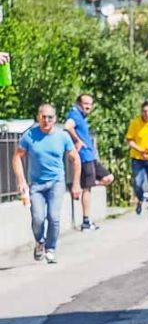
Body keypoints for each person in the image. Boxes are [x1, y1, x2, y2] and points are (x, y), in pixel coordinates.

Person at [12, 104, 81, 264]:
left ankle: (51, 249)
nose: (46, 120)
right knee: (38, 218)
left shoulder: (62, 136)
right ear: (39, 117)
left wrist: (76, 183)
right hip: (36, 185)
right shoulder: (30, 135)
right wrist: (21, 181)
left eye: (50, 117)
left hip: (56, 182)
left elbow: (76, 160)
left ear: (55, 119)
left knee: (53, 217)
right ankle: (40, 242)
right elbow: (17, 157)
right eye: (43, 117)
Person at [63, 93, 114, 231]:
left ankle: (80, 185)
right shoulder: (74, 114)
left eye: (90, 104)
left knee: (109, 177)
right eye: (85, 104)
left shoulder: (81, 117)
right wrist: (77, 140)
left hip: (90, 156)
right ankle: (86, 221)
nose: (88, 107)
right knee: (87, 189)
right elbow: (67, 126)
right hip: (84, 157)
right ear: (78, 104)